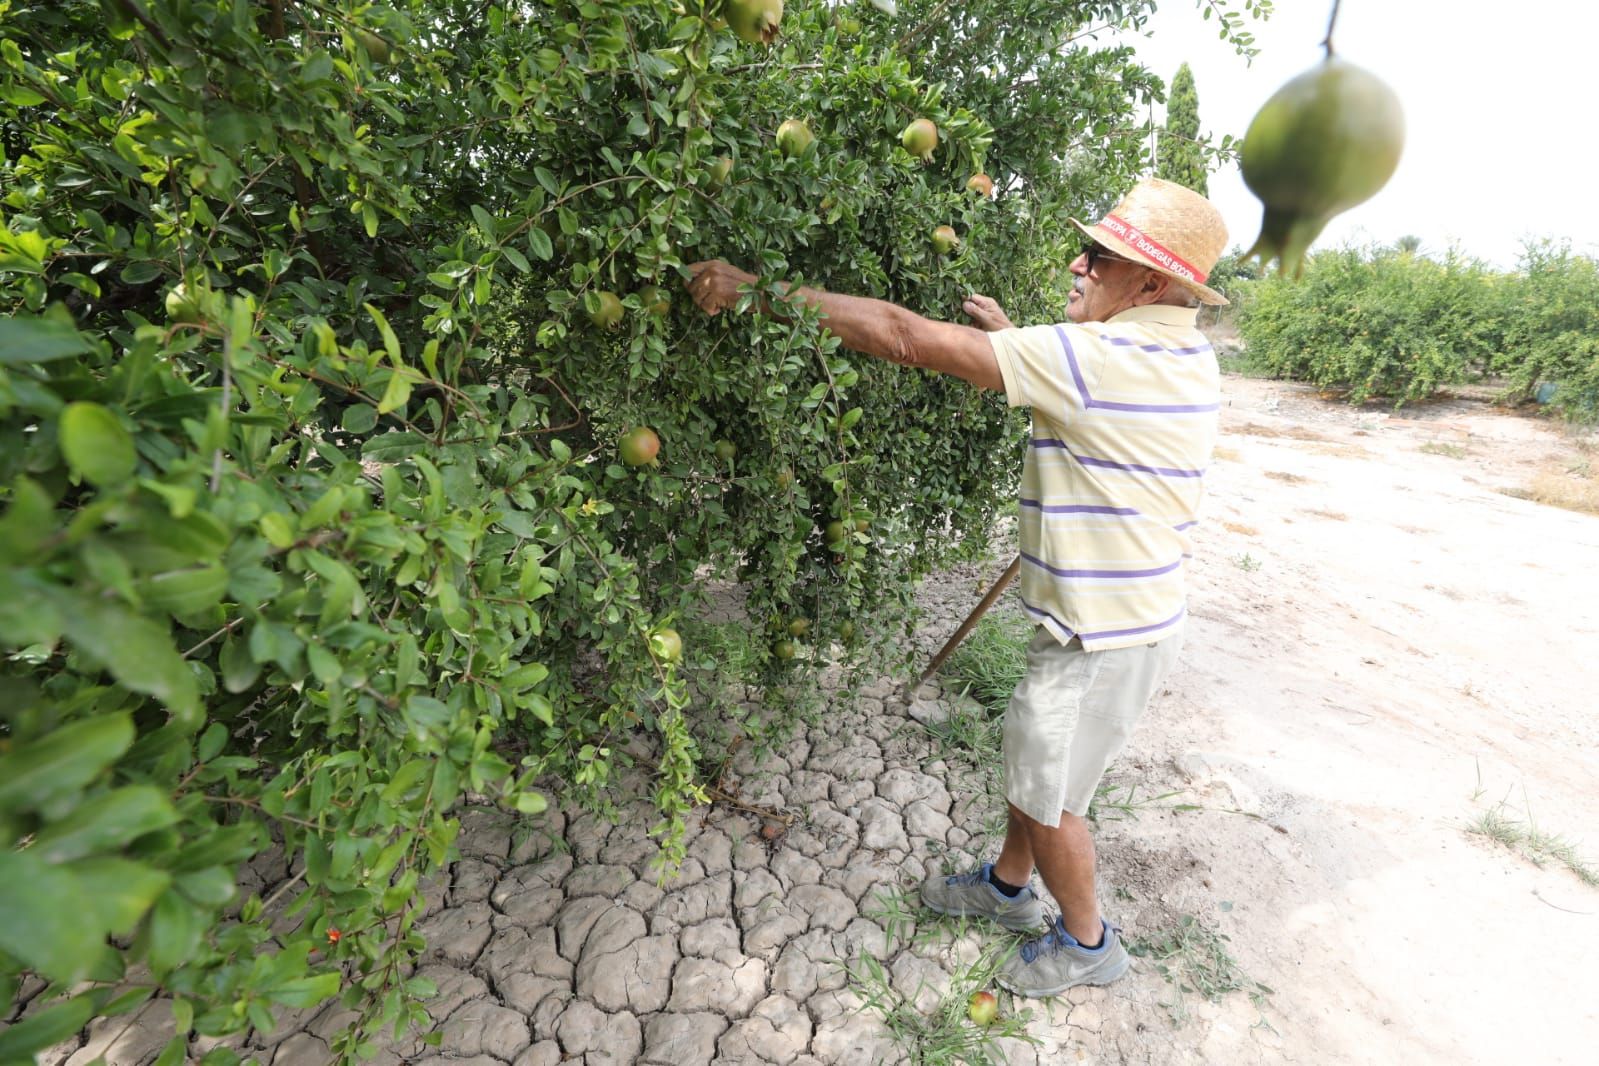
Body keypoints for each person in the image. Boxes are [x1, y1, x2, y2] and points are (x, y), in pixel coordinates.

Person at [683, 177, 1228, 998]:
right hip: (1125, 622)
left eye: (1101, 258)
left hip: (1103, 638)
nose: (1078, 263)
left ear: (1149, 285)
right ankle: (1007, 891)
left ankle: (1087, 945)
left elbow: (904, 336)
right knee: (1040, 768)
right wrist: (1016, 340)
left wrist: (755, 291)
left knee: (1052, 803)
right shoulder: (1178, 352)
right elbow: (1091, 398)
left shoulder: (1098, 358)